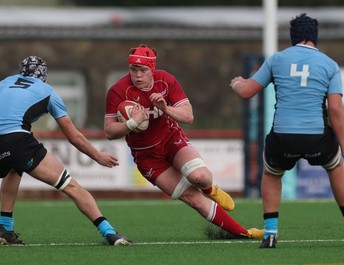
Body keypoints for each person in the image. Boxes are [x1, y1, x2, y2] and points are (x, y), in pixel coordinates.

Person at [104, 44, 264, 240]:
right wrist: (131, 123)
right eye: (133, 70)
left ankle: (210, 189)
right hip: (147, 157)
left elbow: (188, 117)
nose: (137, 75)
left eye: (143, 70)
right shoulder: (118, 90)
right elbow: (109, 131)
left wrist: (165, 108)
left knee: (201, 177)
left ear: (152, 69)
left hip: (171, 140)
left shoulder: (166, 81)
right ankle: (244, 233)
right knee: (193, 198)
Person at [0, 56, 132, 246]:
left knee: (14, 170)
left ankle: (5, 228)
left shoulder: (6, 82)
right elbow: (73, 136)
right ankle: (109, 232)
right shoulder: (47, 91)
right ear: (43, 76)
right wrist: (98, 156)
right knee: (71, 186)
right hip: (16, 141)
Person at [230, 13, 344, 248]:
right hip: (317, 138)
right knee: (335, 166)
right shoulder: (330, 65)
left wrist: (237, 82)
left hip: (283, 137)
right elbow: (335, 110)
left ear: (293, 37)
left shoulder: (276, 59)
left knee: (272, 173)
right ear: (315, 37)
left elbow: (246, 92)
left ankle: (270, 233)